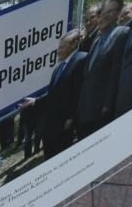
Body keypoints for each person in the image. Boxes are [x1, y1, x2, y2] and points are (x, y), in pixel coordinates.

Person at [20, 29, 87, 160]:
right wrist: (35, 101)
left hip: (65, 124)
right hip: (51, 123)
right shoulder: (58, 68)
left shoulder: (81, 60)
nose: (58, 50)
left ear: (73, 45)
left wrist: (70, 117)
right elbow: (53, 94)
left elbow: (78, 92)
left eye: (62, 47)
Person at [76, 0, 129, 138]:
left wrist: (107, 105)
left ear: (118, 13)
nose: (105, 15)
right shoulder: (96, 40)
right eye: (104, 11)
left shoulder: (122, 34)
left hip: (101, 112)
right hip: (84, 112)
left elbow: (115, 71)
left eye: (110, 11)